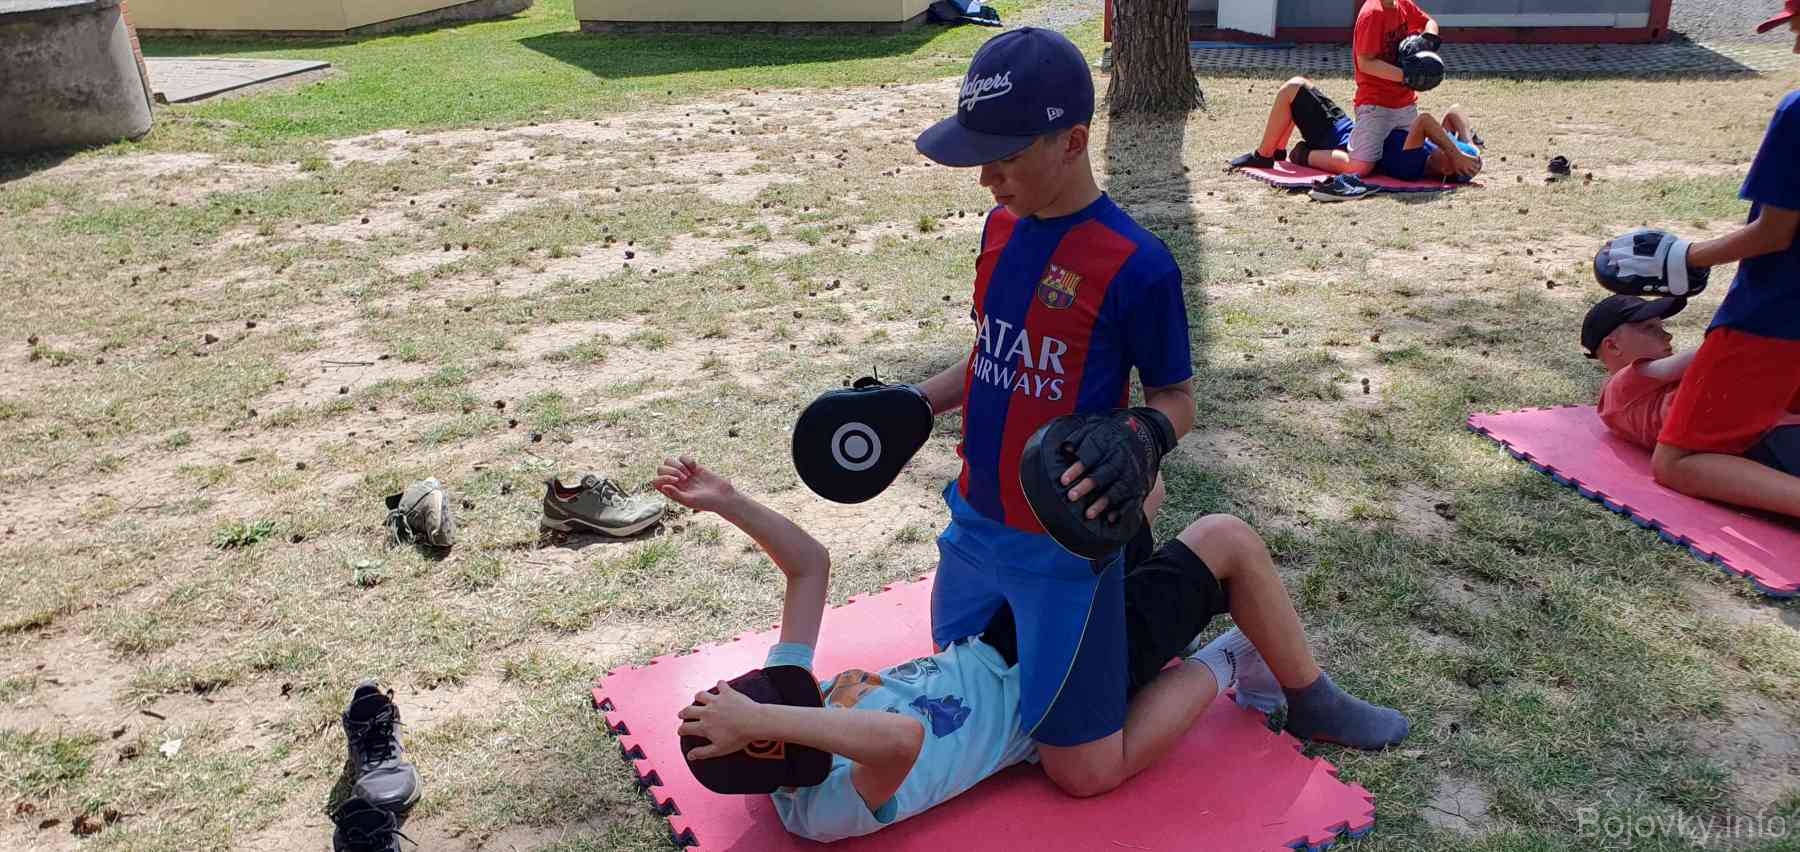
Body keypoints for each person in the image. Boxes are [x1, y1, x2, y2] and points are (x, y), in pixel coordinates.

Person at [658, 456, 1410, 841]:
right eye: (776, 709)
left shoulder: (790, 710)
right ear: (772, 743)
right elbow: (902, 738)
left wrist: (730, 502)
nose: (799, 691)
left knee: (1130, 503)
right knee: (1224, 539)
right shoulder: (821, 809)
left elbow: (809, 567)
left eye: (774, 695)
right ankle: (1261, 670)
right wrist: (769, 720)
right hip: (1061, 691)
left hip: (1004, 637)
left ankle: (1199, 603)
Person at [908, 26, 1203, 795]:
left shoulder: (1138, 264)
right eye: (980, 158)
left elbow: (1177, 399)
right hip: (973, 528)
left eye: (1005, 157)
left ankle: (1225, 663)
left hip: (1062, 548)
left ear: (1072, 141)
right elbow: (991, 355)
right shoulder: (1000, 229)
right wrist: (912, 404)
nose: (987, 179)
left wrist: (1146, 433)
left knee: (1078, 771)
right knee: (971, 708)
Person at [1624, 2, 1800, 519]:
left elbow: (1775, 233)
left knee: (1677, 463)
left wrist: (1686, 256)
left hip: (1777, 311)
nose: (1795, 47)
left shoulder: (1797, 113)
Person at [1582, 295, 1800, 502]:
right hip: (1764, 436)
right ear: (1613, 346)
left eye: (1662, 327)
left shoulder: (1641, 392)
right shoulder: (1618, 386)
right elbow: (1698, 360)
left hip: (1762, 431)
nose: (1667, 335)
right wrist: (1739, 340)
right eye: (1650, 328)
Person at [1227, 77, 1482, 187]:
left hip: (1336, 139)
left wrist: (1454, 151)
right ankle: (1279, 151)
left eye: (1448, 151)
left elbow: (1424, 120)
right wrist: (1467, 143)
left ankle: (1265, 155)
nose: (1443, 144)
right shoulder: (1440, 155)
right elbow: (1455, 111)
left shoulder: (1412, 163)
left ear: (1446, 169)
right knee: (1300, 91)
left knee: (1293, 87)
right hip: (1353, 132)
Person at [1347, 0, 1439, 177]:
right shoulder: (1372, 13)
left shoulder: (1403, 4)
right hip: (1376, 105)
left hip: (1406, 105)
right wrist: (1406, 75)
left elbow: (1429, 22)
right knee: (1360, 168)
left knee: (1415, 159)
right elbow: (1365, 63)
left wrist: (1428, 40)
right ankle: (1307, 155)